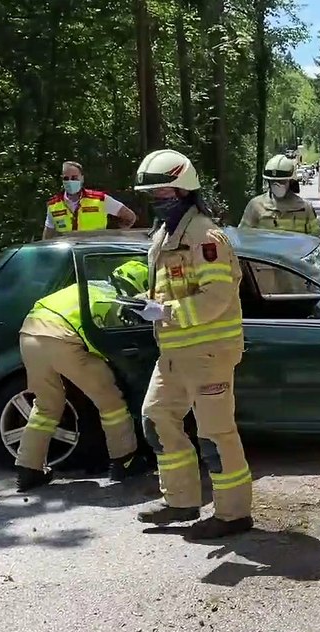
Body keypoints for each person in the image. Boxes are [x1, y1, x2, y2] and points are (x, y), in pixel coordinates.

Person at [129, 148, 254, 539]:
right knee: (156, 418)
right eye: (153, 196)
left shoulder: (204, 236)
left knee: (216, 434)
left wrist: (165, 312)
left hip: (208, 354)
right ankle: (181, 501)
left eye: (163, 195)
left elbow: (217, 296)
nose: (156, 202)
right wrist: (143, 305)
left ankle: (233, 514)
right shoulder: (166, 235)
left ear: (183, 191)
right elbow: (167, 289)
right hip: (174, 353)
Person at [13, 260, 149, 491]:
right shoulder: (110, 300)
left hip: (28, 335)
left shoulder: (91, 286)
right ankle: (124, 461)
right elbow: (104, 341)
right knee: (110, 401)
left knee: (46, 406)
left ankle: (28, 469)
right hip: (62, 341)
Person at [43, 160, 137, 240]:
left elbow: (130, 217)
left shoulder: (100, 199)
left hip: (94, 252)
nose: (70, 181)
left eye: (74, 178)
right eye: (66, 178)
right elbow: (48, 236)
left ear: (82, 178)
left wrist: (113, 236)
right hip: (69, 255)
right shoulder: (53, 205)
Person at [238, 154, 320, 237]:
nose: (277, 185)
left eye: (282, 182)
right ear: (268, 182)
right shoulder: (255, 206)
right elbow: (243, 237)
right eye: (273, 182)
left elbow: (315, 240)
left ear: (290, 181)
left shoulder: (305, 208)